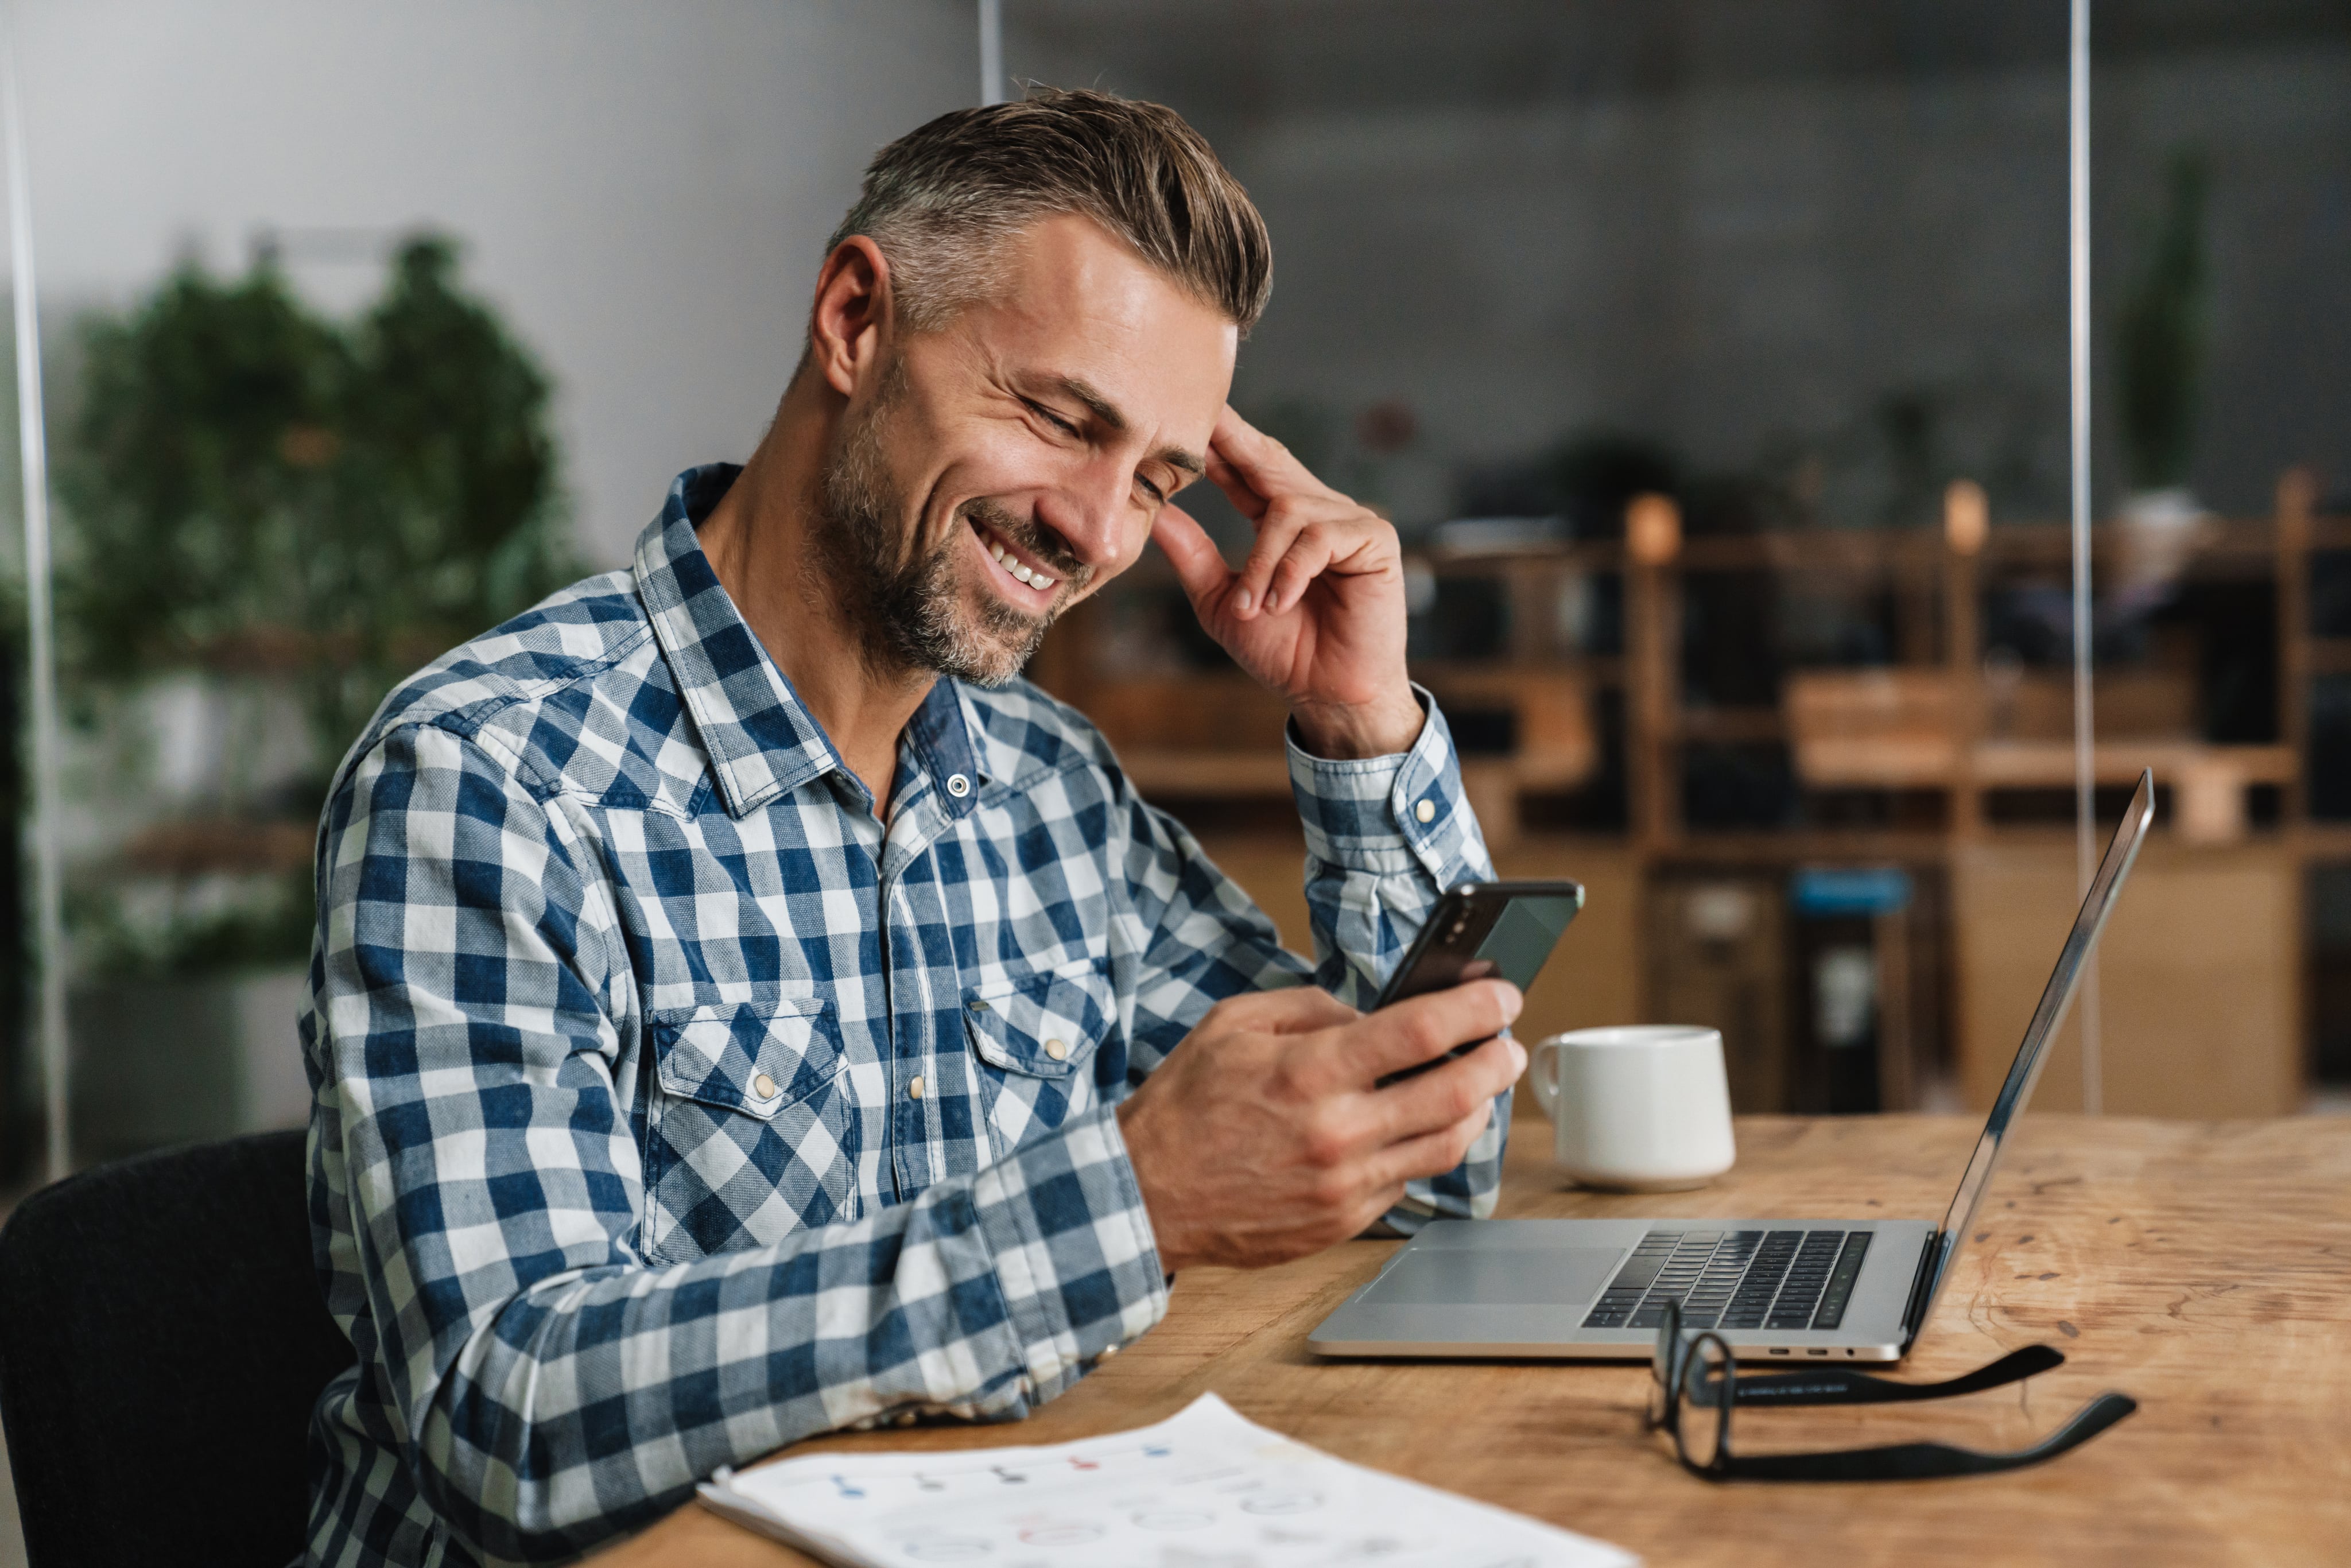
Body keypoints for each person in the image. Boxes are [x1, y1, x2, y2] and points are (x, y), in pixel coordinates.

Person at [302, 88, 1523, 1568]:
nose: (1097, 531)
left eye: (1155, 479)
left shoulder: (1052, 788)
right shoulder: (490, 778)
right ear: (855, 320)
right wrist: (1130, 1201)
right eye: (1061, 420)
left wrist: (1363, 720)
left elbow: (1429, 1167)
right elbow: (509, 1419)